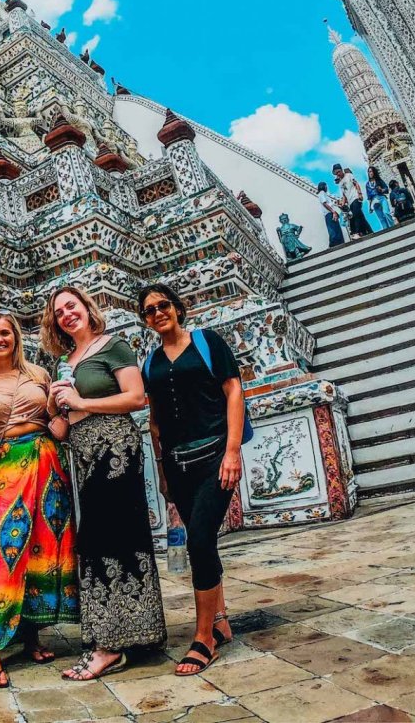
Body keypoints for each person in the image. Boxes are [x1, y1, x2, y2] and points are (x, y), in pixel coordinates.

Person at [44, 286, 165, 681]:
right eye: (59, 312)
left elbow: (135, 398)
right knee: (99, 542)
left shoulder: (114, 346)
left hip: (116, 448)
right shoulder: (65, 361)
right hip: (82, 452)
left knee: (114, 538)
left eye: (71, 306)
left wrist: (82, 403)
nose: (67, 315)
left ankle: (109, 645)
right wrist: (54, 405)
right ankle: (125, 634)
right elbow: (61, 429)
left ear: (86, 307)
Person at [0, 310, 77, 688]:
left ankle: (31, 635)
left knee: (44, 551)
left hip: (46, 463)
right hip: (5, 467)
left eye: (5, 333)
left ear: (15, 337)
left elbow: (55, 417)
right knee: (6, 555)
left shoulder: (38, 375)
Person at [138, 283, 245, 676]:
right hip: (179, 464)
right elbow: (154, 421)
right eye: (149, 310)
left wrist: (233, 450)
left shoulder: (206, 341)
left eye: (163, 305)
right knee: (204, 541)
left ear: (178, 308)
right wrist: (163, 469)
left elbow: (233, 391)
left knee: (199, 538)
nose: (157, 313)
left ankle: (204, 639)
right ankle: (219, 618)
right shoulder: (150, 363)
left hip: (215, 456)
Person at [333, 164, 371, 238]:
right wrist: (343, 204)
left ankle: (357, 232)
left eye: (338, 171)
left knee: (355, 214)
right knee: (359, 215)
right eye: (336, 173)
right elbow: (344, 195)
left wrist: (360, 193)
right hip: (350, 201)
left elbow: (356, 184)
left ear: (341, 170)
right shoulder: (340, 183)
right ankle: (368, 231)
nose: (338, 174)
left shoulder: (349, 175)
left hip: (355, 197)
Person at [366, 166, 395, 231]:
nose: (369, 173)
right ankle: (386, 231)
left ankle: (393, 227)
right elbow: (369, 197)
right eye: (368, 172)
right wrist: (370, 207)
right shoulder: (367, 184)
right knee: (381, 218)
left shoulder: (379, 180)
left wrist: (381, 190)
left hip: (382, 198)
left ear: (374, 172)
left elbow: (386, 189)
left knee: (386, 213)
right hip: (374, 201)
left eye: (371, 171)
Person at [317, 181, 345, 248]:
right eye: (326, 186)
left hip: (332, 213)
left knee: (336, 230)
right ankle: (333, 245)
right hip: (329, 214)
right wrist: (333, 212)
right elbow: (325, 203)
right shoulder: (322, 193)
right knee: (333, 230)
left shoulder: (325, 194)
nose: (327, 187)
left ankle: (339, 244)